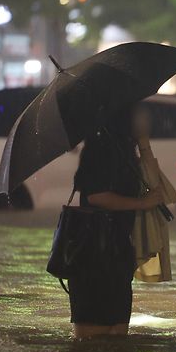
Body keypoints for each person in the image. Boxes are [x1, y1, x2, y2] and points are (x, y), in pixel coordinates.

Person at [69, 103, 164, 339]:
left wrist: (144, 144)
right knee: (91, 338)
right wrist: (142, 203)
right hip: (92, 255)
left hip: (118, 253)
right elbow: (97, 196)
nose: (147, 117)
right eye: (139, 113)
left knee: (118, 336)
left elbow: (159, 190)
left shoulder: (126, 150)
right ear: (124, 117)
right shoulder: (100, 149)